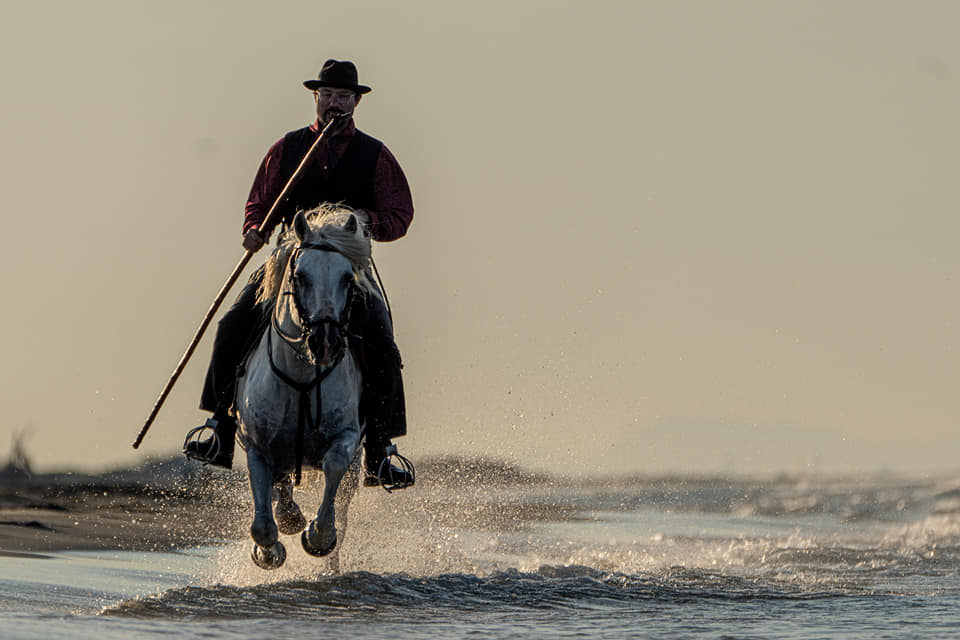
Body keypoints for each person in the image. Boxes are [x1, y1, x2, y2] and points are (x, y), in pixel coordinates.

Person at [183, 59, 414, 488]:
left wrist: (367, 222)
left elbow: (401, 213)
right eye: (326, 95)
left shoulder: (376, 155)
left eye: (342, 96)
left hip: (347, 266)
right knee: (232, 323)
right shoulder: (288, 148)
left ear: (356, 102)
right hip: (287, 259)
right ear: (316, 98)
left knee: (381, 339)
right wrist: (254, 229)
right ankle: (220, 426)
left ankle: (381, 448)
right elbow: (259, 201)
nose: (334, 103)